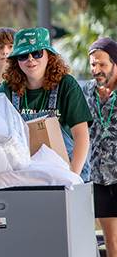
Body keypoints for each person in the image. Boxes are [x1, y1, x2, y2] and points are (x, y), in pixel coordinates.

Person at [0, 27, 93, 181]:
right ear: (16, 61)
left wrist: (72, 178)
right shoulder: (7, 89)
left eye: (36, 53)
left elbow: (81, 136)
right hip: (26, 175)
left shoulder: (67, 85)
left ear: (49, 55)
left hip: (66, 172)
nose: (30, 59)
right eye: (23, 55)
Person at [83, 37, 117, 257]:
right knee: (111, 239)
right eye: (93, 64)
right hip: (101, 176)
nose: (97, 70)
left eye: (102, 65)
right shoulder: (86, 91)